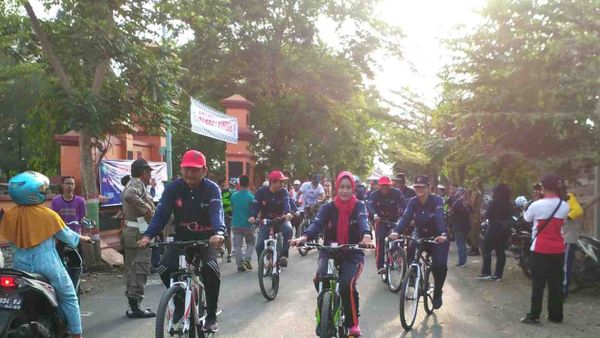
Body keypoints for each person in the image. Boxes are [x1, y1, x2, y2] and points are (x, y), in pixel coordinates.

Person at [138, 150, 225, 332]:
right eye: (186, 169)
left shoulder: (212, 189)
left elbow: (216, 212)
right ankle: (178, 299)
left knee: (211, 268)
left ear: (204, 170)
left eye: (195, 170)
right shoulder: (173, 188)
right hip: (181, 239)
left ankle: (210, 315)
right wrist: (148, 235)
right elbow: (161, 214)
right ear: (181, 169)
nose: (190, 174)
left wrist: (218, 232)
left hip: (207, 239)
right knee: (164, 268)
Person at [0, 171, 92, 338]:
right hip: (47, 262)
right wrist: (84, 238)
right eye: (42, 190)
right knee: (69, 296)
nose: (44, 192)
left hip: (20, 263)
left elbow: (12, 241)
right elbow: (69, 238)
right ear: (34, 193)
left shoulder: (9, 216)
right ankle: (77, 334)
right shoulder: (47, 215)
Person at [291, 171, 374, 337]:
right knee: (320, 279)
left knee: (346, 285)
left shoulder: (359, 206)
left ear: (353, 189)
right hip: (329, 252)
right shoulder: (328, 207)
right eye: (341, 187)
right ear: (337, 188)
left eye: (348, 187)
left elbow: (364, 220)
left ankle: (352, 323)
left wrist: (366, 235)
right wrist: (304, 236)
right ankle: (325, 310)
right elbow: (317, 223)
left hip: (352, 252)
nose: (344, 191)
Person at [390, 175, 449, 309]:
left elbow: (439, 218)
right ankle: (414, 275)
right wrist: (396, 231)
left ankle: (438, 292)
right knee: (411, 246)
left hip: (438, 236)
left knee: (439, 266)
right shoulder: (412, 201)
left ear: (429, 188)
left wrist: (443, 234)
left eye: (422, 187)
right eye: (416, 187)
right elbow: (405, 217)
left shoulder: (437, 200)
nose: (419, 189)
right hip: (420, 232)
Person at [521, 174, 569, 324]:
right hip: (558, 249)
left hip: (540, 249)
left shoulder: (536, 205)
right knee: (556, 283)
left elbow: (527, 219)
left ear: (543, 187)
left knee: (538, 283)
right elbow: (564, 222)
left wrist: (525, 209)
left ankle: (534, 315)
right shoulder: (564, 205)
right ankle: (556, 315)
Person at [121, 158, 156, 318]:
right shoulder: (136, 183)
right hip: (137, 233)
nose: (150, 176)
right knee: (139, 269)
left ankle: (134, 304)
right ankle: (136, 306)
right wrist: (146, 208)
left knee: (133, 269)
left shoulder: (137, 184)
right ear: (143, 172)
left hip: (134, 231)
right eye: (149, 172)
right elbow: (129, 195)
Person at [249, 170, 293, 267]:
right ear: (272, 182)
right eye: (280, 182)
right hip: (266, 221)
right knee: (259, 244)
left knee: (288, 229)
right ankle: (262, 263)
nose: (282, 184)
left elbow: (287, 204)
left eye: (283, 182)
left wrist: (288, 213)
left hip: (280, 219)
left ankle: (284, 255)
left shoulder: (284, 192)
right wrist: (253, 216)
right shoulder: (261, 192)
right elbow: (255, 205)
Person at [368, 176, 406, 274]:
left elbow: (404, 205)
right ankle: (380, 266)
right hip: (380, 221)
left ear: (391, 185)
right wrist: (375, 215)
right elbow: (370, 206)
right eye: (382, 185)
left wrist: (402, 216)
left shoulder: (396, 193)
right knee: (380, 240)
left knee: (399, 237)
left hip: (394, 220)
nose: (385, 188)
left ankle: (398, 257)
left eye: (387, 185)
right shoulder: (374, 194)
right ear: (379, 186)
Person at [477, 183, 513, 281]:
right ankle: (498, 274)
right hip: (505, 230)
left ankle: (486, 272)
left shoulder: (494, 202)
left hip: (494, 229)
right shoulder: (509, 203)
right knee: (500, 251)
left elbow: (488, 215)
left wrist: (484, 214)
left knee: (486, 249)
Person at [559, 179, 583, 298]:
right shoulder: (557, 200)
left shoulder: (569, 197)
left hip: (568, 237)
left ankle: (564, 290)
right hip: (560, 238)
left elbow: (578, 210)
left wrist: (567, 218)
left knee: (566, 265)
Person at [231, 175, 256, 272]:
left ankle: (239, 265)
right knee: (251, 242)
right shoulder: (251, 197)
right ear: (248, 183)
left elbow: (233, 209)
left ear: (239, 183)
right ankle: (247, 259)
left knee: (237, 246)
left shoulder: (233, 196)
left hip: (236, 224)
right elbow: (253, 211)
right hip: (247, 225)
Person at [451, 187, 471, 267]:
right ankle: (463, 260)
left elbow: (453, 211)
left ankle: (462, 261)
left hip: (458, 226)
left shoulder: (458, 204)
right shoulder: (467, 203)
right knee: (463, 243)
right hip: (465, 226)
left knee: (460, 244)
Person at [467, 177, 483, 256]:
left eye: (475, 182)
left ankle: (475, 249)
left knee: (475, 233)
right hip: (471, 215)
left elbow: (478, 207)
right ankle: (472, 248)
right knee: (471, 233)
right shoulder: (472, 193)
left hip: (475, 216)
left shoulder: (479, 194)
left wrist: (476, 217)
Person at [219, 178, 234, 263]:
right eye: (221, 185)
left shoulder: (230, 193)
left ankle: (229, 254)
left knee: (228, 235)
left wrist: (230, 214)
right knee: (220, 234)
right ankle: (221, 252)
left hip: (228, 217)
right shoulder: (217, 192)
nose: (223, 186)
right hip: (220, 217)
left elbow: (232, 205)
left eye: (224, 184)